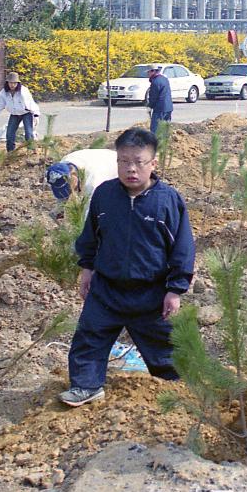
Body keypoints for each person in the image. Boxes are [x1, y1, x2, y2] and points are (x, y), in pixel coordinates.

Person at [60, 127, 195, 407]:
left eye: (138, 162)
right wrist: (87, 269)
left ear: (153, 163)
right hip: (107, 289)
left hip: (151, 293)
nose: (130, 169)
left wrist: (175, 290)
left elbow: (182, 248)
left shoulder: (168, 200)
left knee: (166, 349)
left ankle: (179, 390)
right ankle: (86, 385)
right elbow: (91, 235)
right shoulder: (105, 195)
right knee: (90, 338)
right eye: (123, 161)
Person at [45, 148, 119, 213]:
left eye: (68, 187)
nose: (70, 191)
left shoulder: (92, 183)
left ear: (73, 174)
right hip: (98, 160)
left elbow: (88, 214)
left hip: (118, 167)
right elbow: (62, 192)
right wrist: (59, 209)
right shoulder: (63, 165)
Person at [0, 72, 40, 152]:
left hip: (26, 113)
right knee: (9, 134)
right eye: (11, 83)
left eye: (15, 83)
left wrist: (36, 114)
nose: (12, 85)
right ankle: (11, 152)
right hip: (14, 114)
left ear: (18, 83)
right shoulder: (4, 93)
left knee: (28, 133)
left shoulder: (23, 91)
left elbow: (30, 103)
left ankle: (31, 151)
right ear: (7, 83)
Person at [145, 65, 173, 134]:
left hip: (159, 109)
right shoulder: (164, 79)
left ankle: (155, 144)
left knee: (155, 130)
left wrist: (150, 106)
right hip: (169, 107)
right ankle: (164, 143)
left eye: (148, 72)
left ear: (153, 71)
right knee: (165, 129)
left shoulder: (155, 82)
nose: (147, 74)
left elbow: (153, 97)